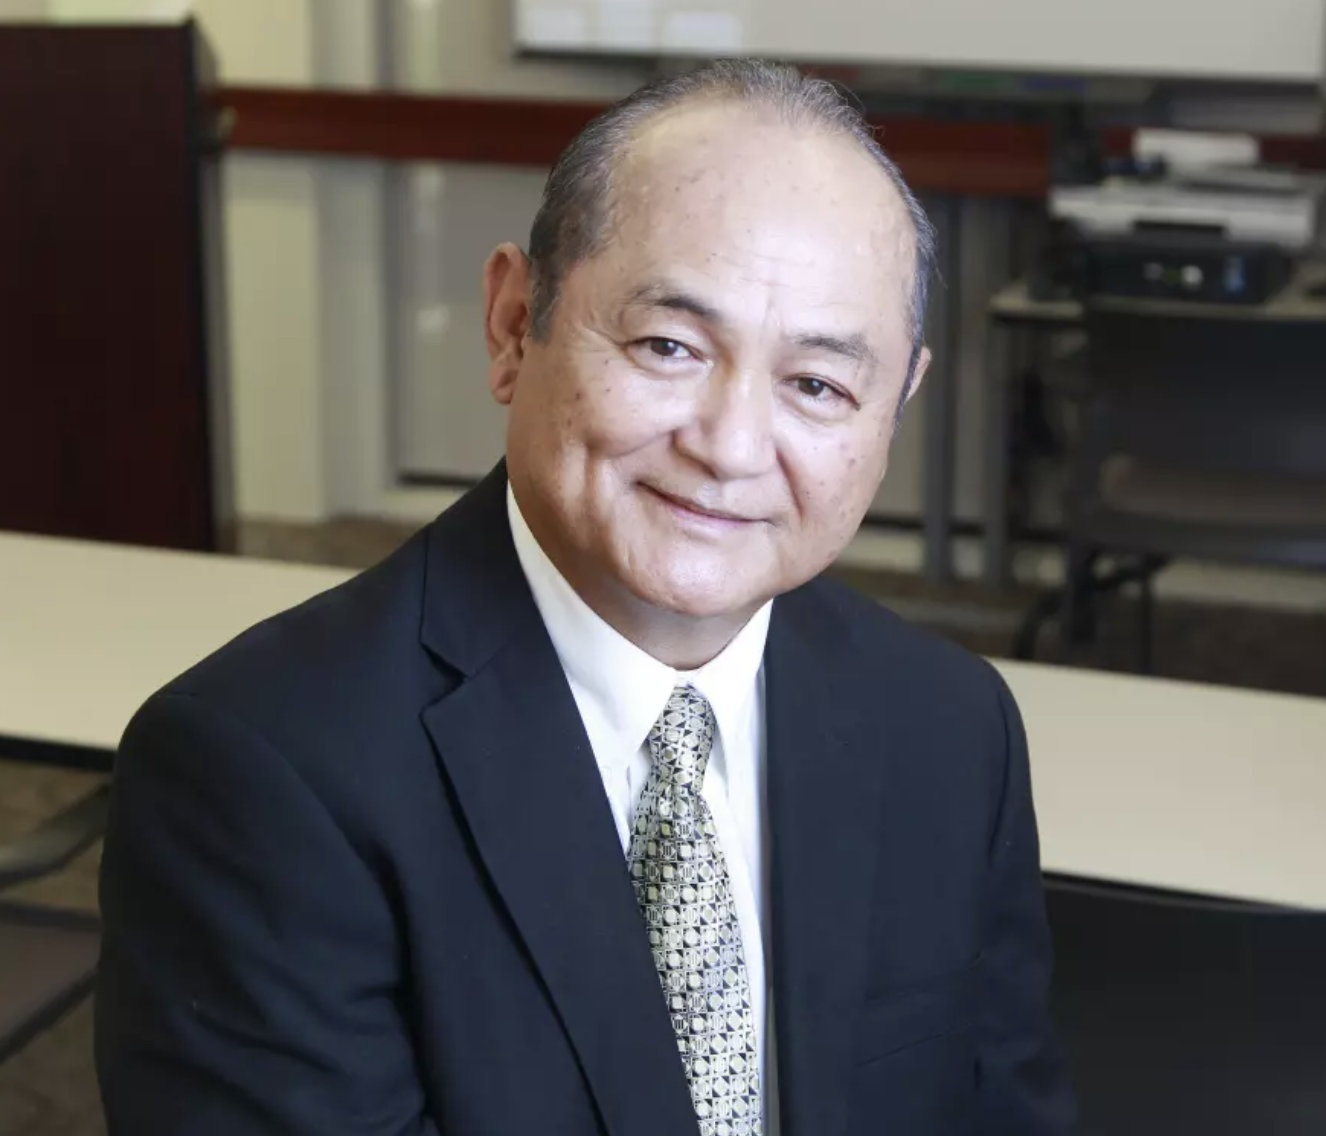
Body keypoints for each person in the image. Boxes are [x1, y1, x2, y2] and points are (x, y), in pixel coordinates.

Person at [95, 60, 1075, 1136]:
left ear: (896, 406)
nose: (732, 446)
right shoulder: (264, 774)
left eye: (817, 385)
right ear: (517, 322)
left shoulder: (951, 727)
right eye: (669, 345)